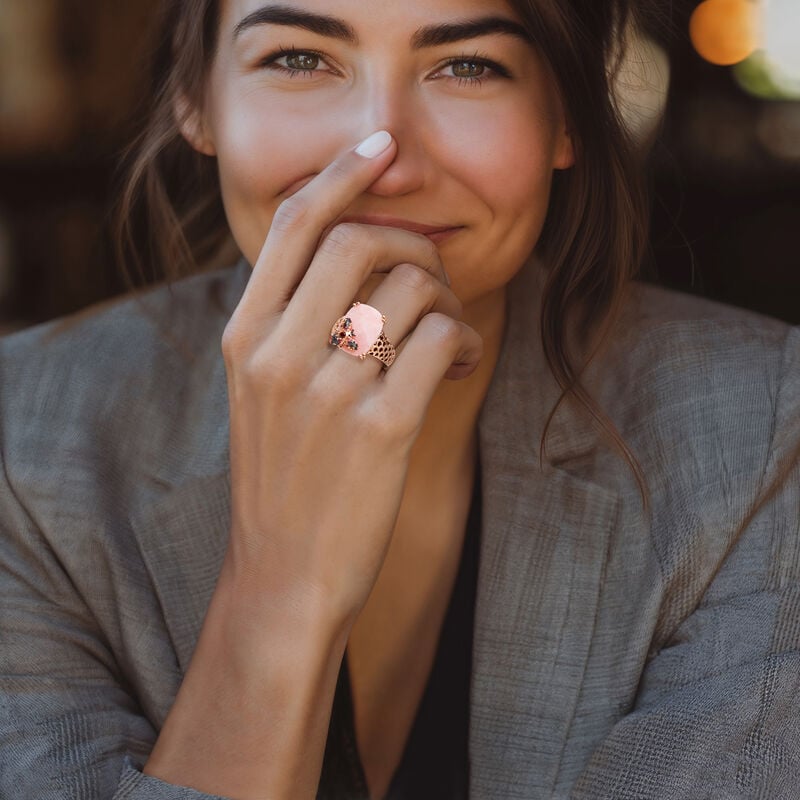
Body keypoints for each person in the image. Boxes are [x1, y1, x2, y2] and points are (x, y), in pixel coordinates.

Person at [1, 1, 798, 798]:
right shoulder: (25, 442)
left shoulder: (761, 426)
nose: (380, 158)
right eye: (299, 59)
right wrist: (281, 582)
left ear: (568, 117)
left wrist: (362, 354)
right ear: (196, 99)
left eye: (468, 66)